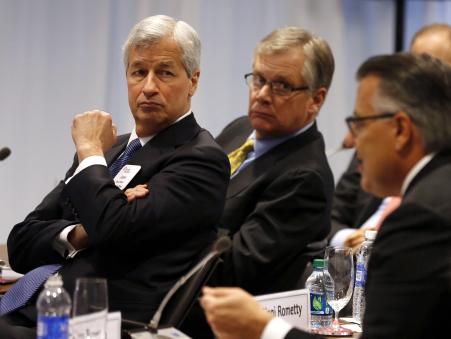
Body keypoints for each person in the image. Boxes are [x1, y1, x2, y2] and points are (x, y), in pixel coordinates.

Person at [0, 15, 230, 337]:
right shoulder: (110, 150)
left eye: (164, 72)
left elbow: (111, 228)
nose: (149, 87)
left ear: (193, 81)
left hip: (103, 325)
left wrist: (90, 152)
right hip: (40, 308)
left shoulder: (200, 158)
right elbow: (21, 241)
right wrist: (80, 233)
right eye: (139, 72)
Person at [201, 52, 451, 339]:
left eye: (359, 122)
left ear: (401, 130)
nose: (351, 140)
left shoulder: (420, 219)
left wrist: (264, 328)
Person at [212, 26, 335, 295]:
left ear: (316, 99)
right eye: (258, 79)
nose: (262, 95)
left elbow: (231, 268)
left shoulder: (304, 178)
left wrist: (168, 223)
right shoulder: (240, 128)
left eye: (282, 86)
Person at [329, 22, 451, 251]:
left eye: (432, 72)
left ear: (401, 130)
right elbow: (331, 216)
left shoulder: (435, 189)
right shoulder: (374, 138)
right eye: (413, 66)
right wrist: (351, 239)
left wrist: (377, 243)